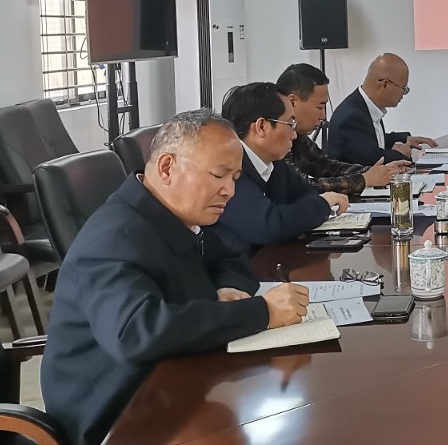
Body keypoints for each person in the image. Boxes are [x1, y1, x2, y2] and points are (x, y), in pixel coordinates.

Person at [42, 110, 312, 445]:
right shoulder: (113, 240)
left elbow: (229, 257)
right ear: (167, 167)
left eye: (235, 178)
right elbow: (136, 332)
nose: (229, 190)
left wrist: (228, 289)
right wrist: (261, 312)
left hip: (172, 380)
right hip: (117, 416)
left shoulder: (171, 215)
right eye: (219, 175)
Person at [214, 82, 349, 255]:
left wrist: (302, 209)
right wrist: (323, 203)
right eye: (290, 124)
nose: (294, 134)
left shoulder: (274, 163)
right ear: (261, 127)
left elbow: (307, 192)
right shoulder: (228, 168)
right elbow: (270, 226)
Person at [277, 63, 412, 194]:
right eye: (319, 107)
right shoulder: (276, 140)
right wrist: (364, 179)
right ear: (292, 102)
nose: (323, 116)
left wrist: (380, 172)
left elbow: (327, 166)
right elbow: (301, 187)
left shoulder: (299, 137)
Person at [326, 53, 438, 164]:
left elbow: (370, 139)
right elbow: (371, 160)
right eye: (404, 88)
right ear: (385, 85)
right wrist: (400, 154)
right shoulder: (351, 117)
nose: (404, 94)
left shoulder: (361, 106)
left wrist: (405, 139)